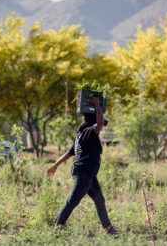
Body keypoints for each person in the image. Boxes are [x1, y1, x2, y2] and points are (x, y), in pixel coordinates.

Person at [47, 97, 118, 235]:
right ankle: (56, 229)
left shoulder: (81, 135)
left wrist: (55, 164)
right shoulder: (88, 131)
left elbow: (70, 152)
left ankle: (108, 228)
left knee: (99, 199)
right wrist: (97, 104)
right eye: (101, 123)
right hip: (84, 174)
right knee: (72, 202)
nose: (102, 126)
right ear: (92, 121)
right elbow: (99, 124)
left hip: (88, 174)